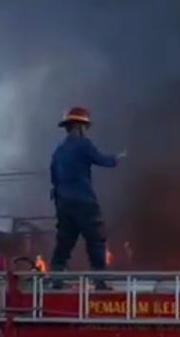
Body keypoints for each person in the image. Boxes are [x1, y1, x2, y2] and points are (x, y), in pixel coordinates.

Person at [48, 106, 126, 290]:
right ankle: (99, 280)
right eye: (85, 127)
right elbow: (101, 159)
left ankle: (56, 279)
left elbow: (53, 177)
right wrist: (118, 158)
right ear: (79, 126)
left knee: (65, 241)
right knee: (95, 238)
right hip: (83, 200)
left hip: (63, 202)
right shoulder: (83, 145)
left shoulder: (59, 151)